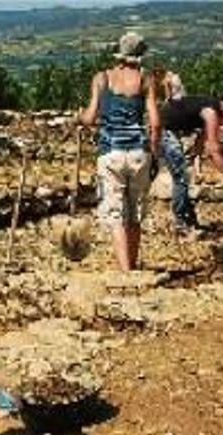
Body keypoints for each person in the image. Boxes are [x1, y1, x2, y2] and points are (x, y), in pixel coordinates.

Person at [78, 31, 160, 270]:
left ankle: (125, 272)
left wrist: (80, 117)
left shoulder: (101, 78)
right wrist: (155, 152)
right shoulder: (146, 80)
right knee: (135, 213)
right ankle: (132, 266)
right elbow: (155, 122)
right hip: (138, 152)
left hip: (110, 152)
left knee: (115, 213)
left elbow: (90, 118)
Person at [158, 94, 223, 231]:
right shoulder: (211, 112)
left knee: (183, 178)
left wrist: (196, 154)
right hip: (164, 130)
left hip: (171, 129)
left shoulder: (212, 109)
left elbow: (203, 137)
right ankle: (181, 222)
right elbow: (213, 147)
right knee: (181, 178)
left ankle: (188, 218)